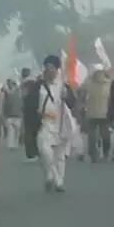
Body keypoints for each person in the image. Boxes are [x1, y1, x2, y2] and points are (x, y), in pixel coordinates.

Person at [28, 55, 76, 192]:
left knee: (60, 156)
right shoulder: (38, 86)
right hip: (44, 124)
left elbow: (72, 104)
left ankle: (59, 181)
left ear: (57, 69)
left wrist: (67, 97)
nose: (49, 71)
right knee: (46, 152)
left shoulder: (64, 86)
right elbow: (30, 106)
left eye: (52, 68)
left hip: (61, 124)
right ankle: (50, 175)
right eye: (47, 68)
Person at [82, 64, 112, 162]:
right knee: (92, 137)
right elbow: (81, 96)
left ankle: (106, 152)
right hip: (92, 114)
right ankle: (93, 155)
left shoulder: (109, 84)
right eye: (97, 73)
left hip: (105, 114)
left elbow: (112, 98)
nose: (99, 75)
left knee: (106, 136)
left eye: (100, 73)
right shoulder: (88, 85)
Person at [20, 68, 40, 163]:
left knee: (28, 133)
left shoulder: (25, 84)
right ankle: (38, 152)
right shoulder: (36, 83)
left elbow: (24, 97)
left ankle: (31, 154)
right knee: (36, 132)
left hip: (28, 110)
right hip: (37, 110)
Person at [1, 79, 23, 151]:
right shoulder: (19, 94)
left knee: (11, 132)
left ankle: (11, 145)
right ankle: (14, 145)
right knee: (16, 132)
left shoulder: (7, 94)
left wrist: (3, 114)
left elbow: (4, 105)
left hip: (10, 115)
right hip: (17, 115)